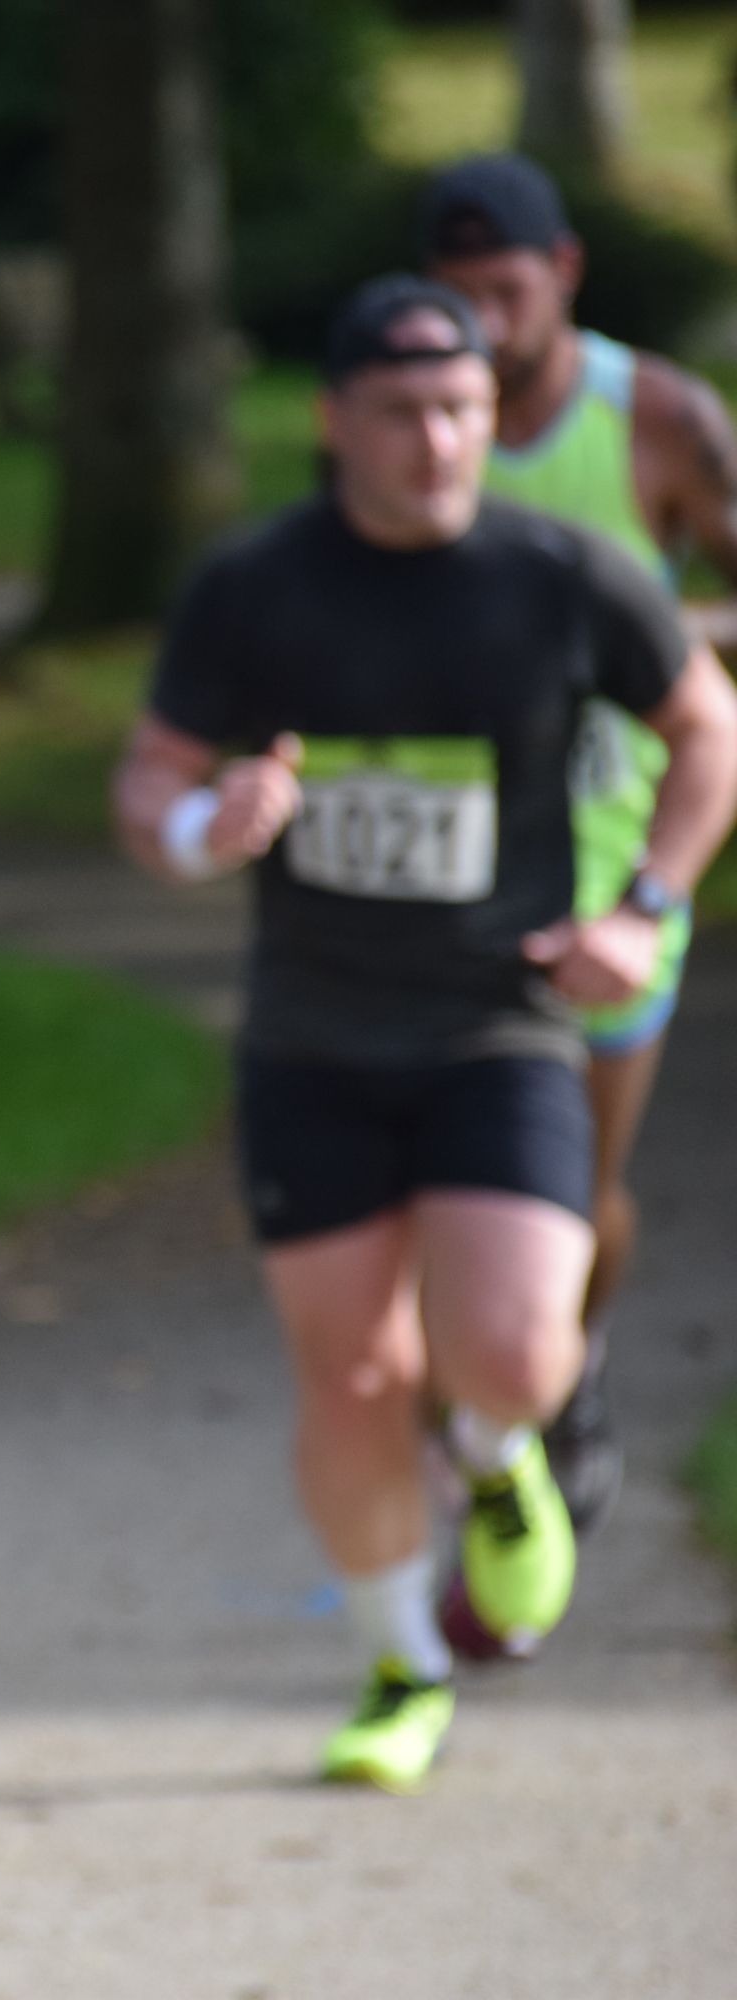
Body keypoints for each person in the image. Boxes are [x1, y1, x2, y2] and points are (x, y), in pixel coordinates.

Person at [113, 276, 737, 1793]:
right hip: (313, 1038)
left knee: (510, 1351)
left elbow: (708, 730)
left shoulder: (563, 574)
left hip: (498, 1021)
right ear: (336, 422)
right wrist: (205, 825)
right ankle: (405, 1664)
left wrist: (648, 907)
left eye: (460, 408)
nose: (437, 439)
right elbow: (150, 782)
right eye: (400, 412)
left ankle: (499, 1455)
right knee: (354, 1380)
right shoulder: (256, 584)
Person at [420, 151, 737, 1536]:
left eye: (506, 290)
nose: (482, 323)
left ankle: (576, 1370)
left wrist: (641, 643)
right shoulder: (417, 416)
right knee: (448, 1185)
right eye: (456, 294)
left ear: (564, 274)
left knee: (576, 1186)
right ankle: (473, 1437)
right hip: (458, 873)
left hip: (615, 868)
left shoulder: (658, 418)